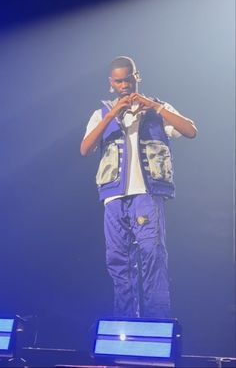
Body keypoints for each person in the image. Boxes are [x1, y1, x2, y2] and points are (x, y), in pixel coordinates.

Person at [80, 56, 197, 319]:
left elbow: (190, 130)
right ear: (111, 83)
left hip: (146, 194)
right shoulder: (101, 113)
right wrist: (112, 114)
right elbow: (85, 148)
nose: (124, 85)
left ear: (137, 77)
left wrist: (154, 107)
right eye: (118, 81)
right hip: (113, 197)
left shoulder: (157, 108)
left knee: (152, 255)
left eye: (128, 79)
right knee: (119, 260)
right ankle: (125, 324)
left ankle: (157, 322)